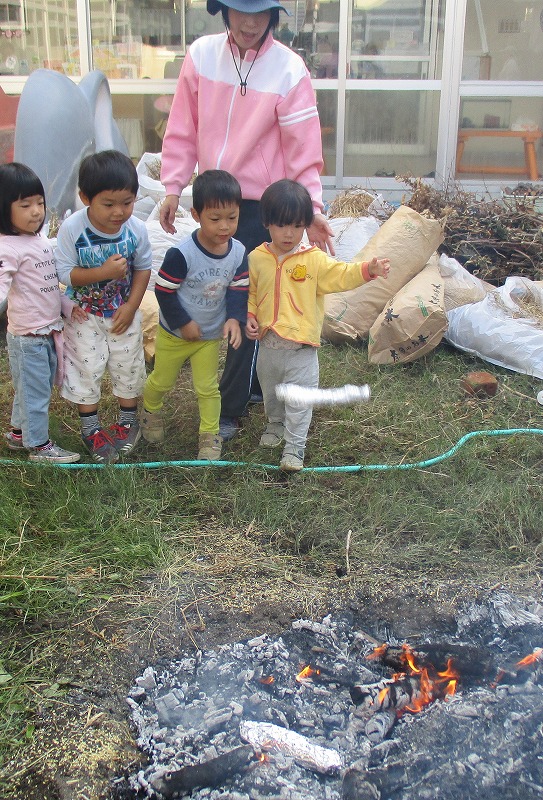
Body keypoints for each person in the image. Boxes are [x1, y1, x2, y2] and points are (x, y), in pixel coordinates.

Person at [158, 0, 335, 442]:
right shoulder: (201, 55)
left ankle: (232, 406)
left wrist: (311, 210)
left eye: (261, 13)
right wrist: (172, 186)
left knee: (249, 302)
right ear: (223, 11)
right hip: (215, 195)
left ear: (275, 15)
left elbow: (303, 147)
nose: (250, 22)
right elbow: (181, 126)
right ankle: (248, 386)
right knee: (214, 293)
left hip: (262, 206)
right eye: (240, 11)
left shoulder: (289, 69)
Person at [245, 179, 390, 472]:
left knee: (299, 401)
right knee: (271, 393)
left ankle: (294, 448)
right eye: (282, 225)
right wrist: (250, 316)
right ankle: (275, 424)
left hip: (301, 350)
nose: (289, 233)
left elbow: (342, 274)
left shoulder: (314, 260)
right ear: (267, 223)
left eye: (297, 226)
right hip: (268, 346)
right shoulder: (257, 258)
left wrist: (367, 270)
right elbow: (251, 292)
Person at [141, 170, 248, 461]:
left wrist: (233, 318)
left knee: (207, 387)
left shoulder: (238, 252)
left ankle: (209, 436)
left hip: (209, 336)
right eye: (215, 219)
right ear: (196, 214)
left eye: (232, 217)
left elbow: (239, 288)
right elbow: (163, 291)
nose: (224, 226)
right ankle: (150, 410)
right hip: (175, 334)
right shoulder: (182, 254)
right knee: (162, 381)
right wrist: (183, 323)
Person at [55, 150, 152, 464]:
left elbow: (143, 269)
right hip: (84, 314)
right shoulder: (72, 229)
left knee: (129, 365)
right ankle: (91, 428)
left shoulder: (136, 229)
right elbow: (65, 273)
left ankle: (128, 422)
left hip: (123, 313)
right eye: (108, 204)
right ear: (85, 197)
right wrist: (103, 273)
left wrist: (132, 305)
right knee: (86, 368)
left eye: (127, 202)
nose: (119, 212)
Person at [0, 162, 81, 463]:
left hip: (44, 330)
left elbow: (46, 286)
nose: (36, 211)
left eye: (39, 203)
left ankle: (19, 433)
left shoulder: (36, 241)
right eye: (25, 205)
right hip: (29, 337)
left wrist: (67, 305)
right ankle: (39, 446)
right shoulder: (7, 248)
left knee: (29, 387)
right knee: (36, 393)